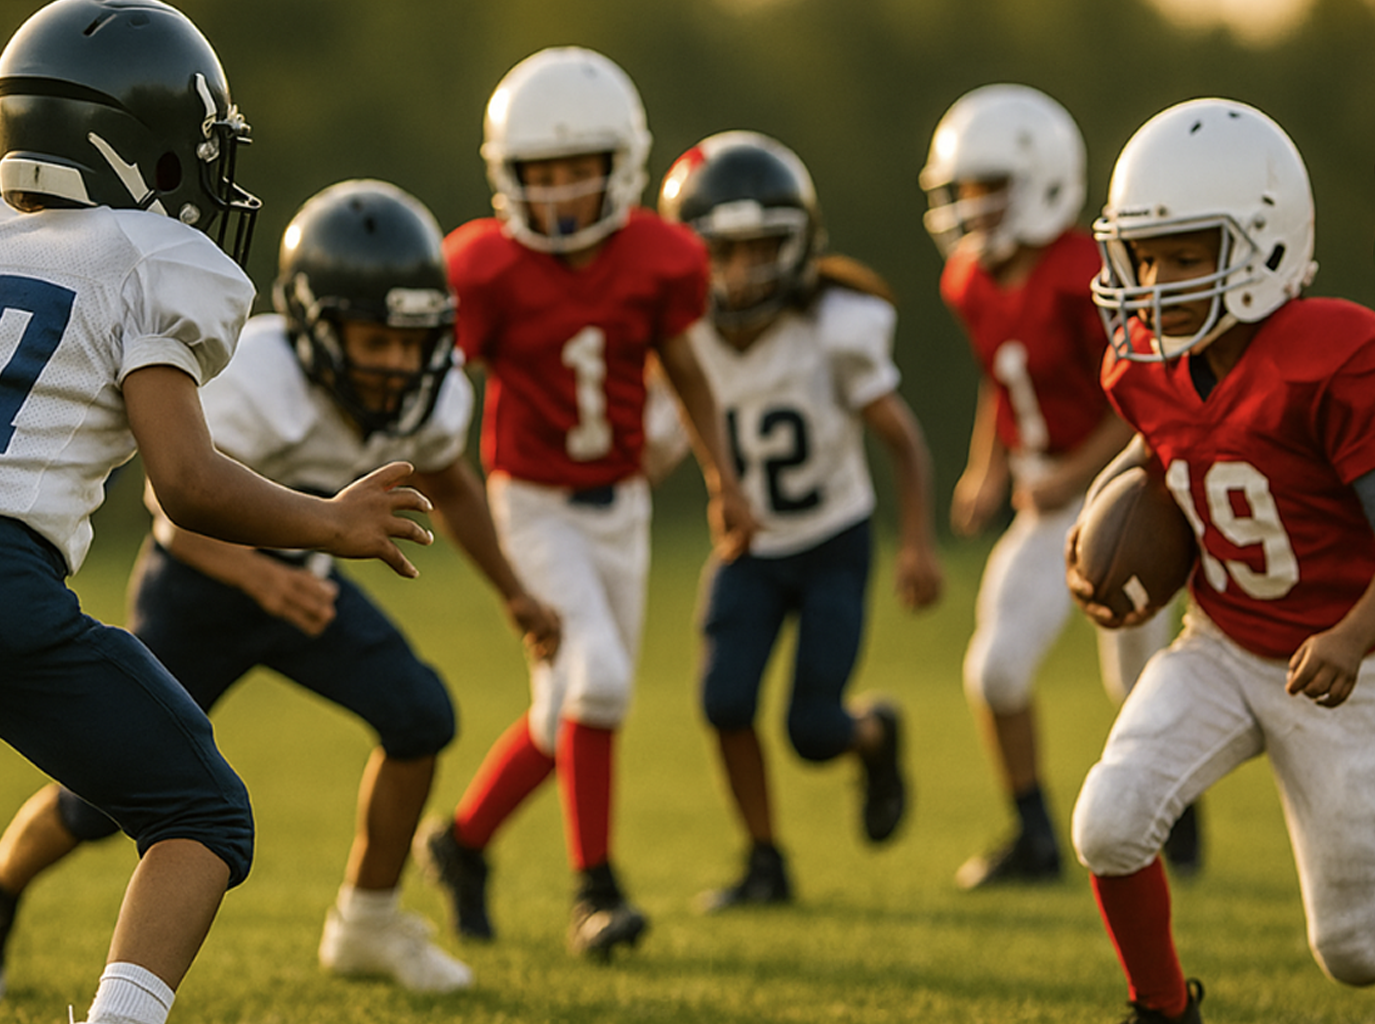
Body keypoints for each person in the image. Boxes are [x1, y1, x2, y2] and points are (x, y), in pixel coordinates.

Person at [0, 3, 437, 1024]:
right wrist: (330, 521)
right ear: (144, 146)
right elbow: (185, 482)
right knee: (202, 815)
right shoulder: (140, 261)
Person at [0, 180, 555, 1001]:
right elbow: (171, 502)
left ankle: (366, 921)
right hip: (200, 583)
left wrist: (512, 589)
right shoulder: (254, 374)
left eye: (414, 342)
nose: (399, 364)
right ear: (314, 325)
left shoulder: (431, 391)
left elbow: (454, 478)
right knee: (100, 800)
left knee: (420, 715)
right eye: (376, 340)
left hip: (300, 579)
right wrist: (260, 573)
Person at [415, 45, 758, 960]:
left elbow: (684, 372)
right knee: (599, 682)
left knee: (562, 710)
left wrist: (724, 478)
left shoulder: (659, 255)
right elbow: (443, 400)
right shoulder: (483, 267)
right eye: (543, 176)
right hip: (531, 501)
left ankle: (462, 841)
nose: (563, 196)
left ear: (621, 169)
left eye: (580, 173)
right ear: (509, 178)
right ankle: (594, 893)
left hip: (624, 506)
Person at [1069, 96, 1375, 1024]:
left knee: (1354, 952)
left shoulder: (1332, 356)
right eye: (1146, 255)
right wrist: (1101, 529)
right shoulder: (1144, 367)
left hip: (1344, 670)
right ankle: (1160, 1011)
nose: (1157, 280)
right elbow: (1165, 448)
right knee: (1109, 823)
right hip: (1224, 644)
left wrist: (1354, 636)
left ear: (1266, 246)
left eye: (1187, 256)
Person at [655, 130, 942, 910]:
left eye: (761, 249)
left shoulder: (836, 323)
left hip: (831, 544)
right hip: (747, 547)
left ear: (800, 243)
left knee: (814, 731)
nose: (743, 271)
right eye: (724, 252)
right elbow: (653, 448)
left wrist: (917, 542)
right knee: (722, 701)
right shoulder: (681, 338)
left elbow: (903, 439)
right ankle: (764, 861)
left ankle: (874, 734)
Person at [919, 83, 1181, 889]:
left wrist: (1072, 472)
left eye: (988, 189)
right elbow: (1003, 379)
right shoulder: (970, 279)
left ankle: (1181, 815)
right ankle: (1033, 833)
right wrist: (987, 465)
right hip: (1043, 494)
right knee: (995, 668)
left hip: (1122, 486)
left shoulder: (1083, 275)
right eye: (963, 192)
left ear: (1039, 181)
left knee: (1135, 676)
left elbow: (1138, 391)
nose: (973, 210)